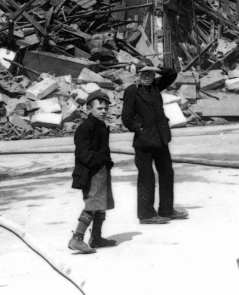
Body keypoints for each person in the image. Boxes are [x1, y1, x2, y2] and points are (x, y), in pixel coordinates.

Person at [121, 61, 187, 225]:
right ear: (138, 75)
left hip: (161, 138)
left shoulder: (156, 85)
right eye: (143, 73)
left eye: (150, 73)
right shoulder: (132, 91)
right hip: (144, 141)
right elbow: (126, 118)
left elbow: (172, 74)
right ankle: (146, 214)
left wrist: (155, 68)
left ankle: (167, 210)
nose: (147, 77)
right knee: (146, 177)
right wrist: (141, 129)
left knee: (167, 173)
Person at [68, 90, 117, 254]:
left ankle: (96, 237)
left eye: (106, 108)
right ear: (89, 109)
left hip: (101, 171)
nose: (103, 111)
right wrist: (100, 162)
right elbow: (83, 153)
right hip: (91, 172)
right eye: (99, 108)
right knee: (93, 204)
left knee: (101, 204)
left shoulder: (101, 126)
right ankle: (77, 238)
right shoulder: (85, 128)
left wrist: (105, 164)